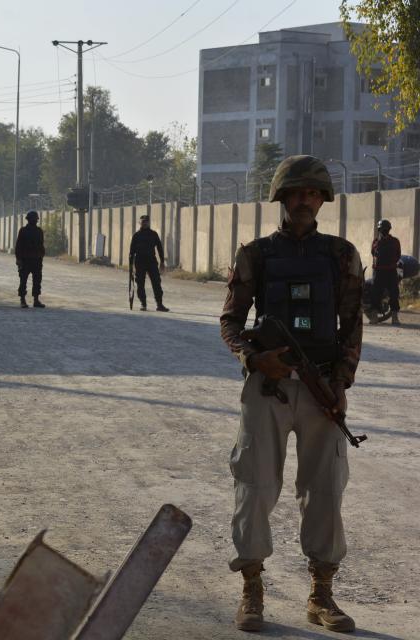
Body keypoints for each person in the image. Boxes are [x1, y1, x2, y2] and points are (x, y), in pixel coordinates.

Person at [220, 155, 363, 633]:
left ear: (322, 199)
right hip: (268, 387)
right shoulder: (255, 255)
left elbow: (352, 325)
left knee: (325, 490)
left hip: (323, 387)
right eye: (295, 192)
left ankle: (321, 595)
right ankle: (252, 590)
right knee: (255, 486)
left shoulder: (341, 255)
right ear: (281, 197)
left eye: (312, 193)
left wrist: (341, 382)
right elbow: (231, 322)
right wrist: (254, 359)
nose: (303, 200)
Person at [129, 215, 169, 311]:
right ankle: (143, 304)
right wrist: (131, 266)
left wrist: (162, 261)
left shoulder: (153, 234)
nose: (144, 223)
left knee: (156, 283)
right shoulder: (136, 236)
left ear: (148, 223)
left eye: (146, 222)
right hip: (140, 262)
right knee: (140, 284)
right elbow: (131, 252)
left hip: (151, 261)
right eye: (142, 222)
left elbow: (159, 248)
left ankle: (159, 305)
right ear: (140, 223)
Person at [370, 218, 401, 325]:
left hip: (391, 271)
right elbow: (373, 254)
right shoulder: (375, 242)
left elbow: (398, 255)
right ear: (379, 230)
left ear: (389, 229)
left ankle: (395, 317)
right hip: (378, 272)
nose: (384, 231)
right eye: (382, 229)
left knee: (394, 294)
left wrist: (390, 264)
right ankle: (374, 316)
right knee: (375, 294)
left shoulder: (395, 241)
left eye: (385, 229)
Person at [14, 210, 46, 308]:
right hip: (25, 260)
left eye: (35, 219)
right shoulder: (23, 231)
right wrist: (19, 259)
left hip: (36, 260)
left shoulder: (39, 231)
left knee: (37, 280)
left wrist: (41, 256)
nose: (34, 220)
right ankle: (22, 300)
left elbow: (41, 245)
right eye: (33, 219)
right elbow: (18, 246)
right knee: (23, 280)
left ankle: (36, 300)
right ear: (28, 220)